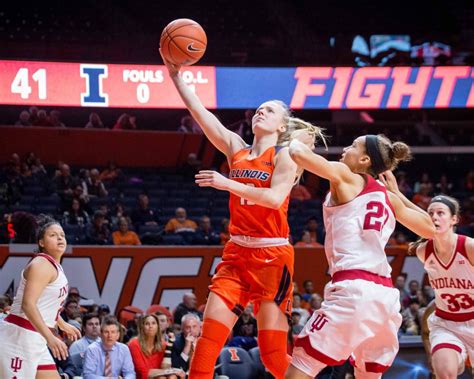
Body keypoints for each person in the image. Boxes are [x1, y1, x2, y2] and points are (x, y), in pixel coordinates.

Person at [161, 49, 326, 379]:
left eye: (271, 110)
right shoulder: (235, 147)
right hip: (236, 253)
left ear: (282, 126)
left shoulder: (285, 156)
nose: (262, 112)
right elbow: (200, 111)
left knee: (273, 353)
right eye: (260, 109)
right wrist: (176, 76)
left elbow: (274, 197)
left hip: (272, 256)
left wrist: (227, 184)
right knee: (208, 342)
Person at [285, 134, 435, 378]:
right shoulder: (389, 197)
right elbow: (430, 228)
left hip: (353, 290)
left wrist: (296, 138)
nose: (345, 148)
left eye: (353, 146)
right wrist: (399, 194)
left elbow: (299, 155)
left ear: (365, 159)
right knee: (368, 374)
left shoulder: (346, 176)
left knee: (302, 365)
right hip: (385, 298)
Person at [395, 194, 473, 378]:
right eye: (430, 214)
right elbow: (407, 215)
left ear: (454, 219)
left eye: (440, 213)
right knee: (444, 372)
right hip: (448, 324)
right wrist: (397, 194)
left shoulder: (469, 247)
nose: (434, 218)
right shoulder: (424, 251)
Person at [0, 215, 81, 378]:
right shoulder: (42, 264)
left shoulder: (54, 266)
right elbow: (28, 305)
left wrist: (62, 323)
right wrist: (51, 337)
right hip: (19, 337)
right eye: (53, 235)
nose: (59, 238)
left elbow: (45, 304)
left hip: (35, 337)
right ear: (41, 243)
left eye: (62, 235)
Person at [128, 314, 184, 379]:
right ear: (142, 327)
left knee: (172, 377)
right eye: (147, 324)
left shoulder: (163, 344)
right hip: (141, 377)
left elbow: (165, 367)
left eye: (153, 323)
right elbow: (143, 372)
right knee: (162, 378)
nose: (151, 326)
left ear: (158, 326)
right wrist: (171, 371)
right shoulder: (134, 344)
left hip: (158, 376)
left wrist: (169, 346)